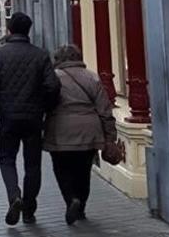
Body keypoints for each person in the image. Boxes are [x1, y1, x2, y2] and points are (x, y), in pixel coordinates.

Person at [0, 12, 61, 226]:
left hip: (7, 117)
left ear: (9, 30)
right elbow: (52, 86)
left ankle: (14, 195)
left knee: (6, 159)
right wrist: (45, 107)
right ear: (28, 30)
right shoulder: (41, 55)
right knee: (33, 164)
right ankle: (29, 208)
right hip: (33, 118)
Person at [44, 44, 117, 225]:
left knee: (61, 168)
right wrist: (110, 137)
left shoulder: (53, 78)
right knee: (83, 170)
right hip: (89, 130)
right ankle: (81, 206)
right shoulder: (92, 77)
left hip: (60, 129)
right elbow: (105, 110)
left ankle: (71, 199)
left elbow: (45, 103)